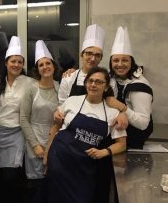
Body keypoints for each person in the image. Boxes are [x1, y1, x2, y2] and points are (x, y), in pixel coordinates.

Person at [45, 67, 127, 203]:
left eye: (99, 82)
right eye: (90, 81)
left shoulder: (113, 112)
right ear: (86, 83)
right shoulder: (72, 101)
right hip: (60, 161)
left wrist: (104, 152)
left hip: (84, 168)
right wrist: (47, 154)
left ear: (106, 87)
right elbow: (56, 127)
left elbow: (122, 144)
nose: (93, 85)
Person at [0, 36, 35, 203]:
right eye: (13, 61)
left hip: (16, 133)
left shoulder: (30, 83)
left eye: (20, 62)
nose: (16, 65)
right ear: (6, 63)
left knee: (12, 175)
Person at [20, 40, 59, 202]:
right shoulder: (31, 89)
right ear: (38, 69)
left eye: (48, 63)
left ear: (54, 66)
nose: (45, 67)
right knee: (37, 187)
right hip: (34, 140)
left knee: (53, 185)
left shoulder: (60, 87)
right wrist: (35, 145)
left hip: (55, 140)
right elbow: (23, 119)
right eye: (41, 65)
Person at [106, 27, 153, 149]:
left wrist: (121, 108)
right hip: (111, 140)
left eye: (125, 60)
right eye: (115, 60)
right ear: (111, 63)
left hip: (132, 142)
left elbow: (143, 124)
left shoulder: (140, 85)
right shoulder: (110, 78)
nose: (120, 64)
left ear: (131, 62)